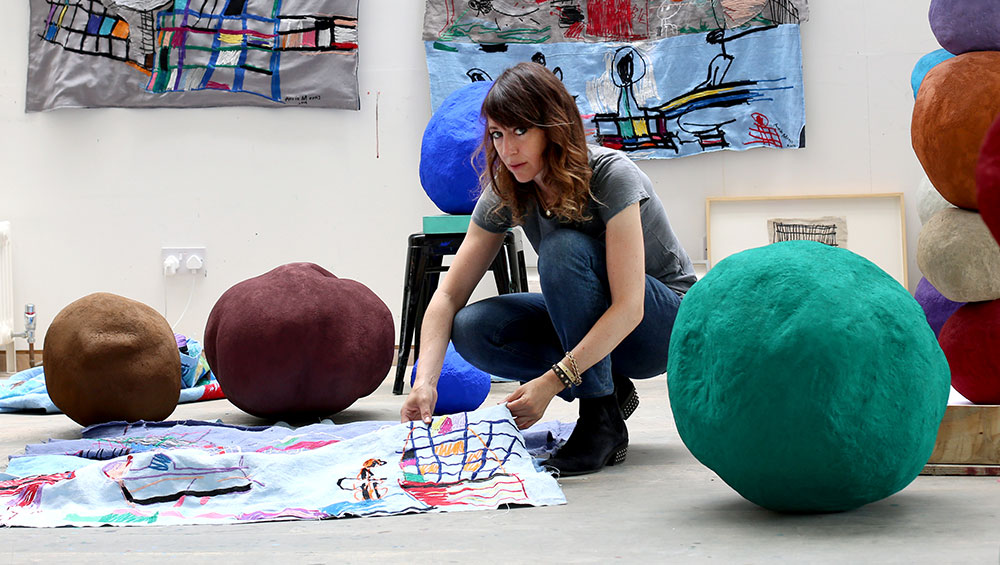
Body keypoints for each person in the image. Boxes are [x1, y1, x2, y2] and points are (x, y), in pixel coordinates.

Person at [401, 62, 696, 476]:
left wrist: (553, 381)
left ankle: (600, 419)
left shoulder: (611, 175)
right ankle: (607, 394)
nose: (508, 149)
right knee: (474, 327)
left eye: (521, 131)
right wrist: (425, 383)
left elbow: (630, 307)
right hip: (605, 324)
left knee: (562, 250)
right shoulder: (507, 188)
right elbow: (448, 295)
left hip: (660, 324)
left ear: (553, 128)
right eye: (498, 134)